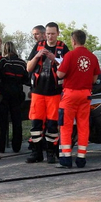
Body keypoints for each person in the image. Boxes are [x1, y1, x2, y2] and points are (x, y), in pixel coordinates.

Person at [25, 22, 69, 163]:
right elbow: (28, 68)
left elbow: (66, 70)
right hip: (38, 91)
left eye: (52, 33)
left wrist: (54, 59)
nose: (50, 36)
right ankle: (36, 152)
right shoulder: (38, 46)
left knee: (52, 124)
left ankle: (51, 152)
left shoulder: (63, 48)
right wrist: (37, 56)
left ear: (58, 33)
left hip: (54, 92)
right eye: (48, 33)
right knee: (36, 124)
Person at [56, 29, 100, 169]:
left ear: (73, 41)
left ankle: (66, 158)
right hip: (85, 95)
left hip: (70, 95)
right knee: (83, 126)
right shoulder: (92, 57)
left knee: (66, 126)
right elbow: (94, 78)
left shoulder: (70, 55)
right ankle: (81, 158)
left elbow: (60, 74)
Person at [0, 41, 29, 153]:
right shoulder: (21, 63)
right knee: (17, 121)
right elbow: (27, 80)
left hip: (4, 94)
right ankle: (16, 146)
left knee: (2, 122)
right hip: (17, 94)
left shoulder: (2, 61)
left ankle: (1, 147)